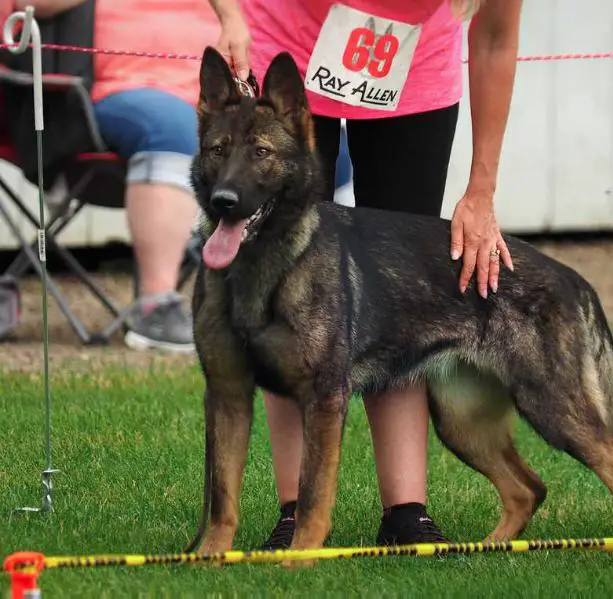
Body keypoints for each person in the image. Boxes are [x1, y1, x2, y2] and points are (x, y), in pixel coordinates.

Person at [210, 0, 522, 548]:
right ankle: (294, 511)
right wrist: (230, 16)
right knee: (285, 287)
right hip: (290, 54)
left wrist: (481, 191)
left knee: (402, 294)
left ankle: (406, 513)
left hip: (414, 72)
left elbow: (495, 41)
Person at [4, 0, 220, 353]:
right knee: (172, 125)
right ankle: (156, 308)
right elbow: (30, 5)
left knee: (315, 148)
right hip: (111, 93)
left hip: (215, 96)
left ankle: (298, 301)